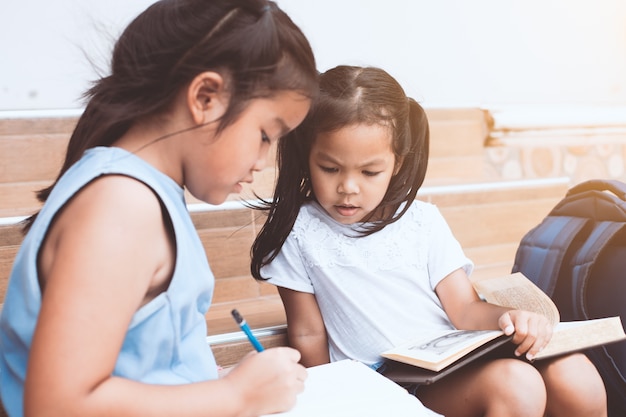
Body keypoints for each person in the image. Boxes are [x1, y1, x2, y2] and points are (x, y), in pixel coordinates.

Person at [0, 1, 317, 416]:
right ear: (206, 97)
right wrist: (235, 397)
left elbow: (137, 363)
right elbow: (57, 405)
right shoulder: (121, 207)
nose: (263, 161)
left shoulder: (135, 193)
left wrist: (210, 382)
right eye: (264, 135)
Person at [250, 65, 608, 417]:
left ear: (396, 164)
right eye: (330, 168)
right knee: (517, 385)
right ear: (307, 157)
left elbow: (465, 309)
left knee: (575, 374)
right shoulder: (300, 231)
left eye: (370, 172)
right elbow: (308, 333)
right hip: (389, 380)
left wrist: (511, 317)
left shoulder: (421, 220)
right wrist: (327, 397)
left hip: (454, 360)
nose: (348, 187)